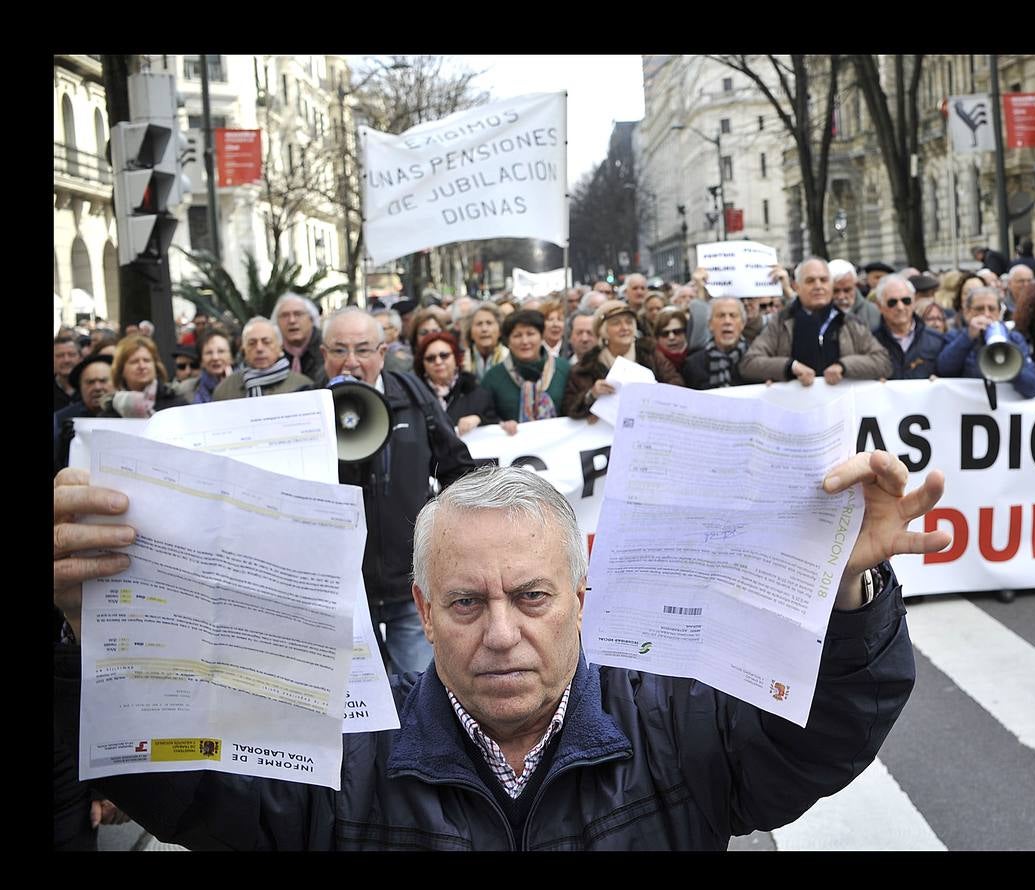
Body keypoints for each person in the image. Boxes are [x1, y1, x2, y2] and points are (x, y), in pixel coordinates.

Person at [52, 443, 950, 850]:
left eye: (531, 597)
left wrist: (845, 589)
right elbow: (187, 788)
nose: (503, 634)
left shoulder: (675, 726)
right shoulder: (346, 750)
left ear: (580, 598)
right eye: (466, 602)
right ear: (421, 610)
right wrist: (94, 636)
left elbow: (825, 733)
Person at [319, 307, 477, 675]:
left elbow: (457, 467)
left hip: (410, 581)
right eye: (339, 350)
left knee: (421, 689)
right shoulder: (307, 405)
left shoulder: (411, 394)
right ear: (324, 354)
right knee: (357, 702)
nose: (351, 362)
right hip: (346, 590)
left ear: (383, 352)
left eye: (362, 349)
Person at [739, 257, 892, 387]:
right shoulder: (780, 322)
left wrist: (844, 366)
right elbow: (749, 363)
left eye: (823, 280)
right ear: (796, 287)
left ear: (831, 285)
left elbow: (883, 362)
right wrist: (790, 367)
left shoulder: (851, 323)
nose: (818, 286)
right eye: (810, 281)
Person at [564, 301, 684, 419]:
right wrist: (592, 394)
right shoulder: (587, 365)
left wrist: (657, 393)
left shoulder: (650, 355)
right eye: (616, 323)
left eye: (629, 322)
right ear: (603, 331)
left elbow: (676, 384)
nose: (625, 328)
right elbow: (569, 407)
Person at [935, 286, 1035, 398]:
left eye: (991, 309)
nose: (986, 314)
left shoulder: (1014, 339)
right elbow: (944, 369)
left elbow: (1033, 386)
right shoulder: (954, 336)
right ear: (967, 312)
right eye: (979, 309)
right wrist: (968, 337)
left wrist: (1011, 368)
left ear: (999, 312)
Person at [479, 310, 571, 424]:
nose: (524, 341)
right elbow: (483, 416)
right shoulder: (493, 377)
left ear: (541, 336)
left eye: (530, 334)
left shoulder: (563, 369)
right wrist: (501, 423)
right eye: (517, 335)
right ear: (508, 341)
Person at [415, 331, 507, 436]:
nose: (438, 362)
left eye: (444, 356)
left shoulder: (477, 394)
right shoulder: (414, 397)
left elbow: (496, 426)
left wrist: (479, 419)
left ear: (456, 358)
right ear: (423, 364)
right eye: (431, 358)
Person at [213, 318, 314, 401]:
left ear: (280, 347)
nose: (259, 349)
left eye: (267, 342)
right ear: (243, 349)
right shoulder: (225, 390)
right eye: (252, 343)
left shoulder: (303, 386)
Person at [871, 275, 947, 381]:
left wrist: (940, 381)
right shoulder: (870, 342)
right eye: (892, 302)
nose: (900, 307)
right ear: (880, 306)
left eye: (906, 300)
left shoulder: (937, 340)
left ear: (914, 302)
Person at [52, 353, 114, 475]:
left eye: (103, 381)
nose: (97, 387)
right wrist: (62, 449)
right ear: (80, 387)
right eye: (90, 382)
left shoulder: (130, 414)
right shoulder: (62, 419)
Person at [102, 335, 188, 418]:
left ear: (155, 366)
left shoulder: (177, 405)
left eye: (147, 360)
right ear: (121, 370)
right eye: (134, 362)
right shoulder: (110, 413)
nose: (142, 366)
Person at [682, 297, 751, 390]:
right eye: (721, 315)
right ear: (710, 324)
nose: (727, 321)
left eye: (733, 315)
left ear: (742, 324)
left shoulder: (755, 359)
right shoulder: (693, 365)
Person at [272, 293, 325, 383]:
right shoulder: (270, 350)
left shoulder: (327, 347)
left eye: (298, 314)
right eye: (285, 315)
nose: (292, 321)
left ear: (311, 319)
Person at [179, 328, 235, 403]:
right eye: (209, 352)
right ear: (201, 360)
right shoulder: (186, 390)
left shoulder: (246, 385)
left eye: (221, 351)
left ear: (231, 357)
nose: (215, 357)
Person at [462, 302, 509, 380]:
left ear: (500, 331)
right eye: (479, 324)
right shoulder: (461, 360)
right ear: (470, 332)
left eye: (489, 323)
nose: (484, 329)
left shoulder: (509, 358)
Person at [651, 306, 690, 376]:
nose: (671, 337)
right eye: (665, 333)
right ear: (657, 337)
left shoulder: (699, 361)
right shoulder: (650, 363)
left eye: (677, 332)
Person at [54, 335, 82, 412]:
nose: (66, 360)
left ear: (80, 358)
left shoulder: (90, 387)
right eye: (60, 356)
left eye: (71, 354)